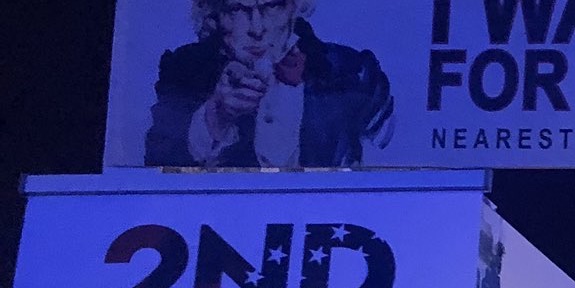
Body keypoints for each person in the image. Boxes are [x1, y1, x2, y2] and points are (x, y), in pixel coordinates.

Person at [145, 0, 395, 168]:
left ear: (295, 7)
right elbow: (155, 167)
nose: (257, 28)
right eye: (237, 9)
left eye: (272, 6)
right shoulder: (184, 68)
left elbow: (396, 162)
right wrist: (216, 115)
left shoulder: (352, 71)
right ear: (215, 15)